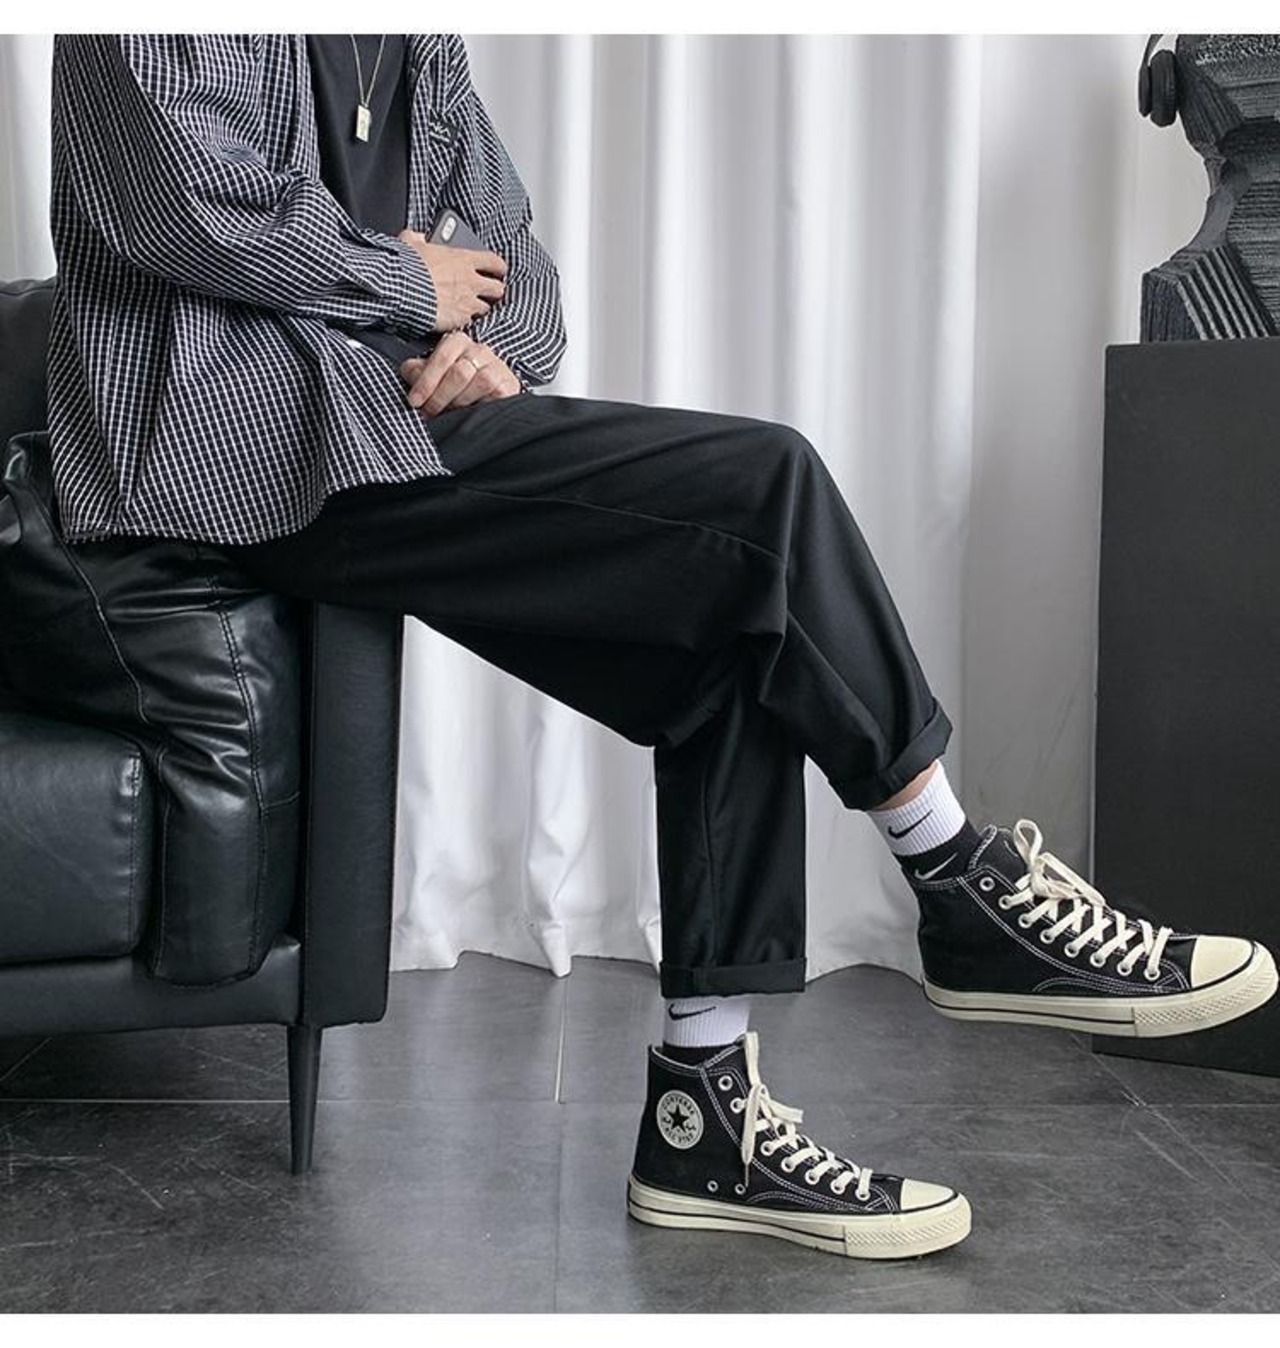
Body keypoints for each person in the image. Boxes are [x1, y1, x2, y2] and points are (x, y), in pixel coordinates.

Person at [48, 34, 1278, 1262]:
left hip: (395, 423)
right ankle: (955, 876)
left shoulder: (417, 41)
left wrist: (491, 343)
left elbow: (518, 265)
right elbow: (186, 207)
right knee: (765, 482)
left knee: (731, 637)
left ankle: (702, 1118)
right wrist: (414, 284)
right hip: (222, 441)